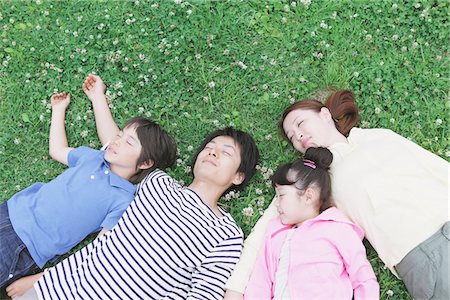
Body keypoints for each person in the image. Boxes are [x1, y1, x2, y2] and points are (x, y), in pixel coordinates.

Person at [6, 74, 260, 299]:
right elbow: (119, 148)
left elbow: (206, 292)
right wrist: (98, 97)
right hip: (58, 289)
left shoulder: (227, 233)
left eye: (225, 153)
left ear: (238, 176)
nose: (212, 153)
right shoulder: (158, 184)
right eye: (209, 147)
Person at [225, 90, 449, 300]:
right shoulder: (314, 178)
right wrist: (235, 290)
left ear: (324, 114)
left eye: (300, 124)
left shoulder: (378, 137)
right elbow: (265, 231)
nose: (298, 135)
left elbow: (436, 167)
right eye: (292, 137)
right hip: (423, 252)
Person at [0, 91, 177, 291]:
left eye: (129, 142)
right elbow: (57, 150)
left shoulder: (123, 201)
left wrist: (40, 279)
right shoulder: (92, 157)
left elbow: (98, 254)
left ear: (145, 163)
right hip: (11, 210)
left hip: (26, 247)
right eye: (119, 135)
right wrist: (59, 111)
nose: (117, 141)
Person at [245, 147, 379, 299]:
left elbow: (362, 275)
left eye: (281, 195)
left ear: (308, 196)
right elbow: (260, 280)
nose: (277, 204)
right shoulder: (276, 234)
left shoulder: (337, 229)